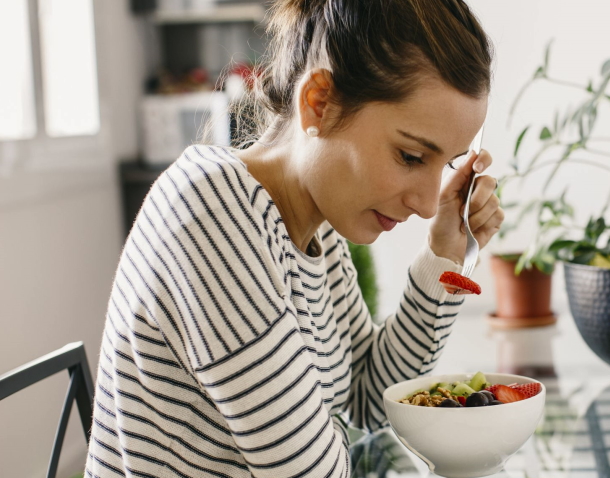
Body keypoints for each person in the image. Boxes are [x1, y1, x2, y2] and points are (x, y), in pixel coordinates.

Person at [84, 0, 500, 476]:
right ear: (319, 102)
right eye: (409, 156)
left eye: (445, 163)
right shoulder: (211, 213)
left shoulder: (317, 229)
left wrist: (443, 253)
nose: (428, 204)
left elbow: (370, 397)